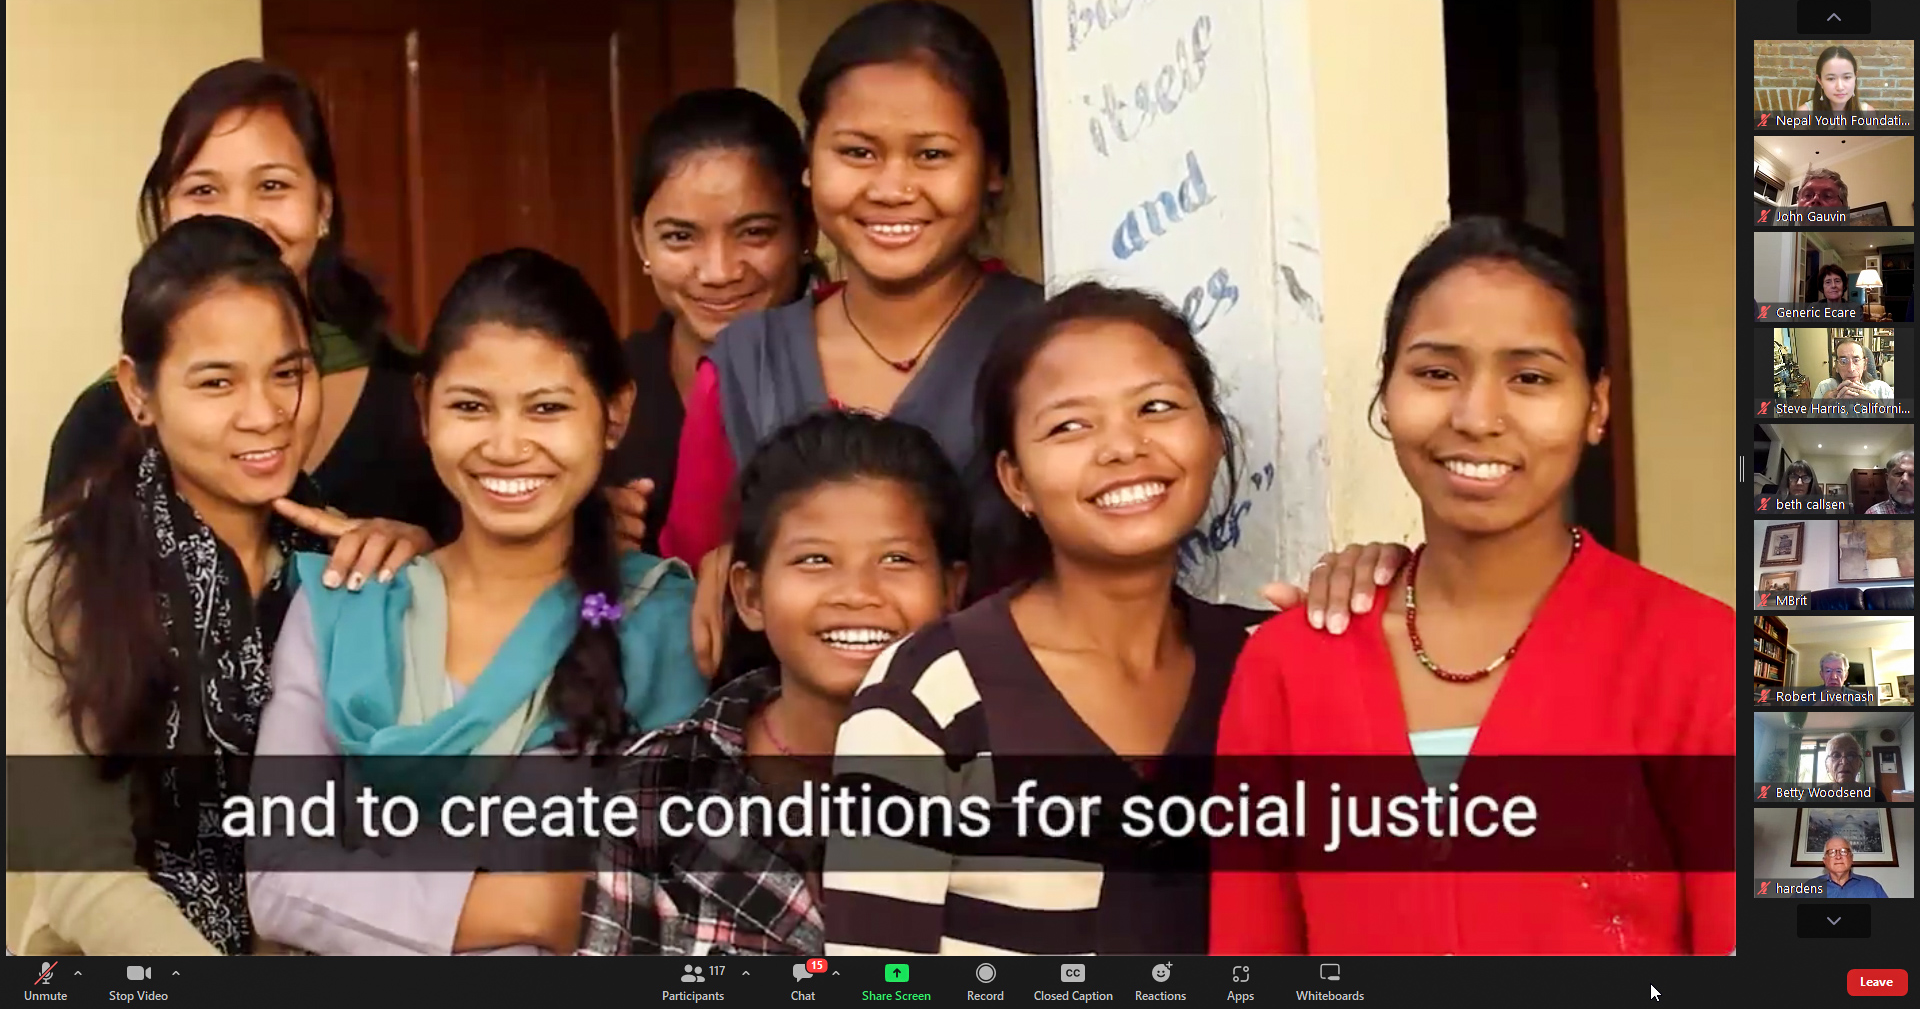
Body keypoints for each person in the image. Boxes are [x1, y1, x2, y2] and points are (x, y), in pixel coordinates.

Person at [1212, 217, 1735, 955]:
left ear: (1597, 406)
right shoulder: (1290, 668)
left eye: (1531, 377)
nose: (1477, 416)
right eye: (1436, 372)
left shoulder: (1701, 661)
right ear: (1385, 394)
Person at [246, 249, 708, 956]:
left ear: (614, 415)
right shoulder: (345, 605)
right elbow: (278, 881)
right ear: (424, 410)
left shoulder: (651, 621)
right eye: (470, 406)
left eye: (548, 408)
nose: (507, 445)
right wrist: (532, 907)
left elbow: (670, 897)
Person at [6, 217, 429, 956]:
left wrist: (427, 562)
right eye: (216, 382)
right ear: (139, 391)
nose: (264, 415)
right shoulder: (66, 568)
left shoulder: (344, 556)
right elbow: (82, 876)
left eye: (288, 373)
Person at [823, 284, 1272, 956]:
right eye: (1069, 425)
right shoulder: (933, 691)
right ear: (1015, 480)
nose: (1123, 447)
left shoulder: (1266, 663)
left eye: (1156, 407)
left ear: (1212, 439)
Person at [655, 0, 1044, 664]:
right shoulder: (746, 365)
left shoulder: (1049, 346)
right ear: (808, 166)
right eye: (857, 152)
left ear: (993, 170)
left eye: (931, 154)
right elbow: (686, 588)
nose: (891, 187)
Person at [581, 411, 971, 956]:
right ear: (750, 596)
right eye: (815, 559)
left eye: (896, 559)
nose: (857, 592)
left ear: (952, 591)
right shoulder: (660, 780)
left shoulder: (1008, 775)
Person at [43, 60, 455, 548]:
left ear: (322, 207)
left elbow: (483, 581)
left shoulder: (413, 399)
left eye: (273, 185)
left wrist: (427, 562)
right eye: (204, 190)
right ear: (164, 213)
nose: (239, 216)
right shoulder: (103, 422)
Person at [605, 88, 821, 554]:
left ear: (807, 230)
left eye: (754, 233)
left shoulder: (852, 372)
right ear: (641, 242)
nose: (719, 272)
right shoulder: (595, 390)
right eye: (681, 237)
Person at [1798, 46, 1877, 114]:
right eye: (1831, 78)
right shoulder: (1804, 113)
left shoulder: (1867, 113)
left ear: (1855, 77)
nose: (1840, 87)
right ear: (1820, 80)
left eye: (1847, 77)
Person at [1809, 836, 1889, 898]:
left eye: (1843, 851)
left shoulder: (1872, 886)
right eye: (1831, 852)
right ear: (1825, 861)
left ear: (1851, 858)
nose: (1838, 856)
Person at [1812, 339, 1892, 400]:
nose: (1851, 369)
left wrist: (1876, 404)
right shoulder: (1824, 388)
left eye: (1856, 360)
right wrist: (1823, 405)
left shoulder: (1882, 389)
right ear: (1836, 366)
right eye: (1843, 361)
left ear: (1865, 364)